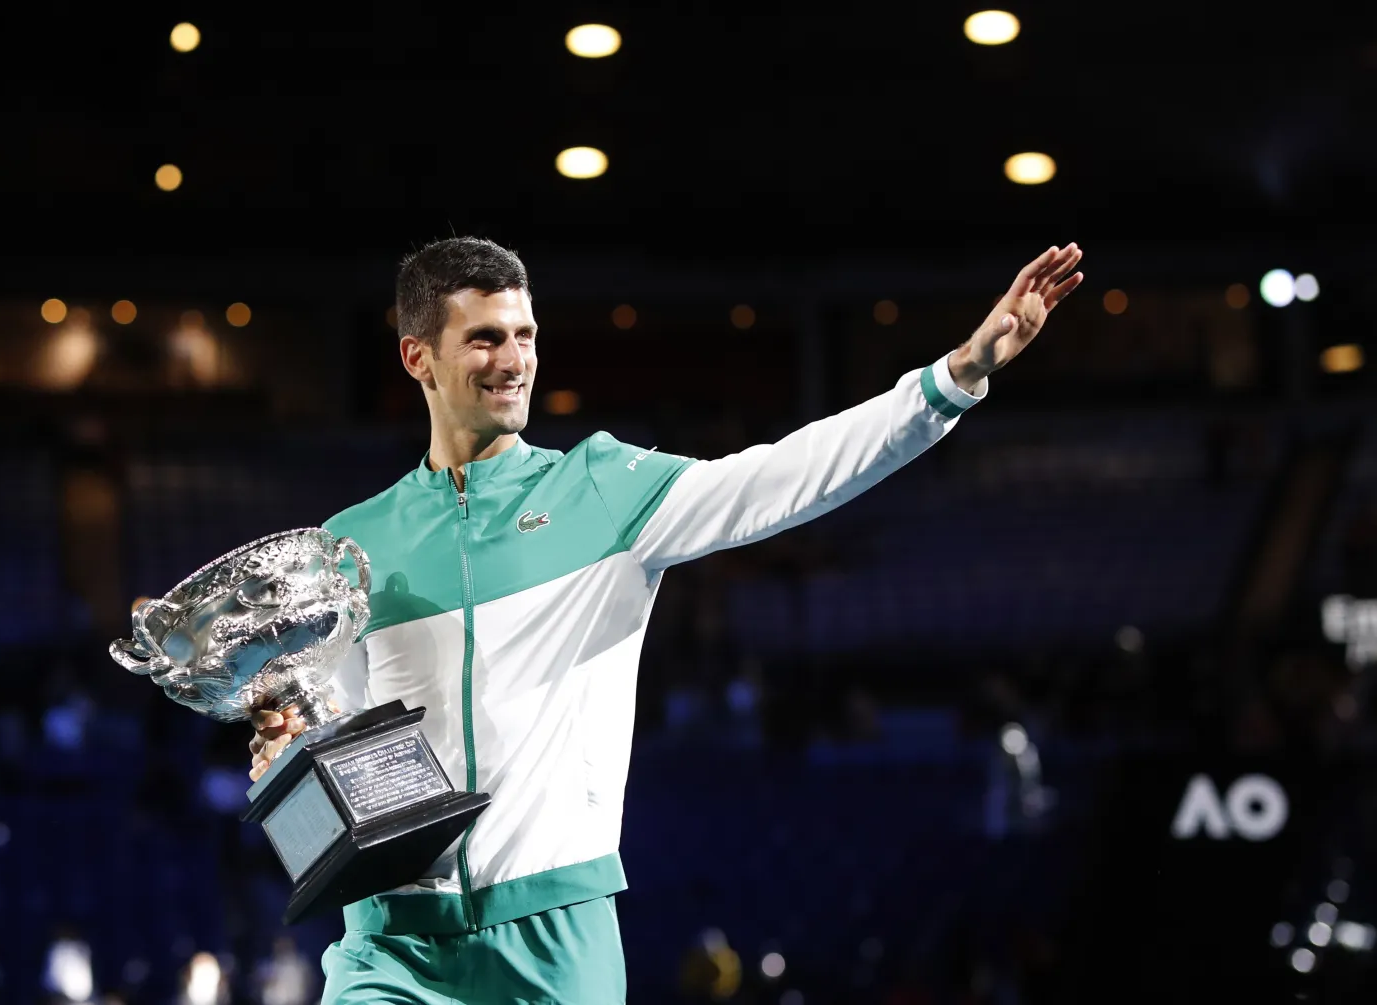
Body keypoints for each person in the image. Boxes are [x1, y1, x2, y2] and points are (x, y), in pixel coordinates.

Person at [248, 237, 1084, 1004]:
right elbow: (345, 733)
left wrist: (954, 376)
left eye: (526, 336)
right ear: (417, 357)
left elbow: (787, 475)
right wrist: (288, 754)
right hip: (392, 945)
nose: (516, 361)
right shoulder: (350, 544)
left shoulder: (604, 490)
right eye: (486, 339)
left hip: (553, 936)